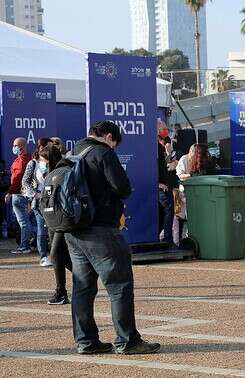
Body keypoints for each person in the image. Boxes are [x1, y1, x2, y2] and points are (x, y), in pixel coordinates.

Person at [66, 121, 160, 355]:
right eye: (115, 143)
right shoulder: (103, 153)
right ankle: (127, 340)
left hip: (74, 230)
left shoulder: (72, 152)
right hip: (101, 230)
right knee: (119, 286)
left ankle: (86, 341)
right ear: (109, 137)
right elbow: (122, 187)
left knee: (82, 288)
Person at [36, 145, 71, 305]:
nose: (40, 163)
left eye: (42, 160)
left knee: (56, 254)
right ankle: (82, 281)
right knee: (61, 256)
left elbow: (50, 196)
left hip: (59, 219)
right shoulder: (55, 172)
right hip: (55, 219)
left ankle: (61, 292)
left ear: (49, 160)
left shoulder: (59, 173)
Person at [21, 137, 53, 266]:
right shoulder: (33, 163)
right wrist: (35, 194)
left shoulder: (54, 161)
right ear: (41, 147)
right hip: (39, 202)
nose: (51, 149)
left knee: (54, 228)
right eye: (49, 146)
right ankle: (43, 256)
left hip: (53, 200)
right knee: (41, 228)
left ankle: (56, 254)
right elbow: (25, 181)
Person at [5, 137, 33, 255]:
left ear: (21, 147)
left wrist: (10, 192)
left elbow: (18, 179)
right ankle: (27, 243)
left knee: (24, 222)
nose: (13, 148)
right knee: (26, 221)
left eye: (15, 145)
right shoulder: (23, 159)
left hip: (19, 194)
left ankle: (25, 246)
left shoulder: (23, 161)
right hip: (23, 194)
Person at [158, 133, 174, 246]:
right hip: (162, 188)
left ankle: (163, 237)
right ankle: (167, 239)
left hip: (164, 186)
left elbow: (163, 165)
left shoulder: (158, 149)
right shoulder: (155, 147)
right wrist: (158, 184)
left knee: (163, 212)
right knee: (168, 210)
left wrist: (168, 155)